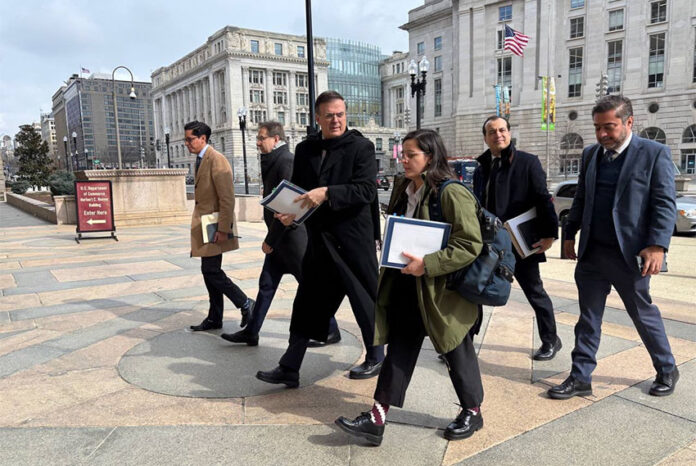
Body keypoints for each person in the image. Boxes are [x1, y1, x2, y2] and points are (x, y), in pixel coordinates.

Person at [335, 129, 485, 446]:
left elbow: (469, 244)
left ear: (429, 157)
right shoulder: (404, 187)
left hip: (442, 292)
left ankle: (472, 410)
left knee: (456, 349)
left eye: (411, 154)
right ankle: (376, 418)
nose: (403, 159)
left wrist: (427, 264)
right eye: (403, 153)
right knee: (399, 351)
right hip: (407, 284)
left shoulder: (451, 192)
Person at [548, 96, 679, 399]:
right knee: (588, 318)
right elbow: (581, 196)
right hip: (593, 252)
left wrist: (658, 245)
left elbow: (664, 204)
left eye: (609, 127)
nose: (602, 134)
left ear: (629, 122)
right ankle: (581, 377)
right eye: (597, 128)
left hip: (630, 256)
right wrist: (570, 232)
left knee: (642, 315)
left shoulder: (654, 154)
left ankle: (667, 368)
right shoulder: (592, 154)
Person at [256, 91, 385, 387]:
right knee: (306, 305)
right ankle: (290, 367)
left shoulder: (361, 147)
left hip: (353, 241)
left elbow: (366, 191)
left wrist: (327, 192)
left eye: (340, 114)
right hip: (320, 243)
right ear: (317, 118)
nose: (336, 120)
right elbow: (298, 192)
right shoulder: (306, 150)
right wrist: (290, 215)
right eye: (329, 115)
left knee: (364, 301)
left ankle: (376, 356)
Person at [220, 121, 339, 346]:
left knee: (309, 287)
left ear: (276, 139)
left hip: (291, 238)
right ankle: (251, 331)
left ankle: (331, 329)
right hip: (281, 239)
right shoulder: (275, 159)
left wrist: (270, 240)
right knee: (266, 285)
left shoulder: (286, 160)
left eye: (261, 138)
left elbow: (287, 205)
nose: (257, 142)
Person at [473, 116, 561, 360]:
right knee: (473, 288)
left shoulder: (527, 162)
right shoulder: (482, 167)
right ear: (486, 137)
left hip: (521, 242)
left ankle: (551, 339)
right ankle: (465, 341)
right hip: (489, 242)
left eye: (502, 130)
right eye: (492, 132)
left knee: (534, 291)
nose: (498, 135)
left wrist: (549, 235)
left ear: (509, 133)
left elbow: (544, 199)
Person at [186, 120, 255, 332]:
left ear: (203, 138)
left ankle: (245, 303)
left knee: (211, 270)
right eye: (186, 140)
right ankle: (215, 318)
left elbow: (227, 198)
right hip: (206, 224)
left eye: (190, 139)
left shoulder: (217, 160)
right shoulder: (201, 159)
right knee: (209, 271)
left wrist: (224, 229)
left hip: (215, 226)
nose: (187, 143)